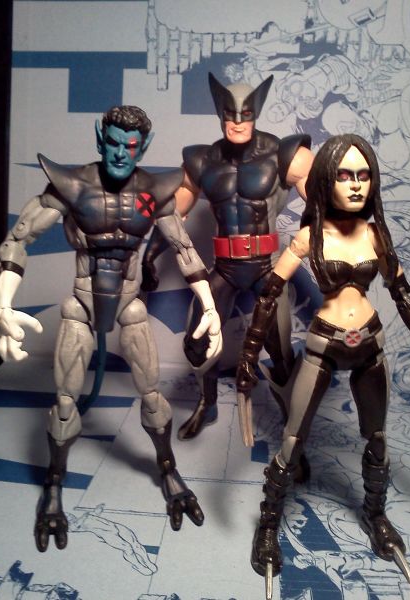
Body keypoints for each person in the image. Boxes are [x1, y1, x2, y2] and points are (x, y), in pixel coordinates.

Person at [0, 105, 222, 552]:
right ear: (101, 139)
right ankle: (54, 484)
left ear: (143, 148)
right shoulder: (72, 186)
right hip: (81, 305)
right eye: (113, 143)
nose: (120, 153)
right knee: (65, 404)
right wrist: (2, 304)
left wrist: (209, 307)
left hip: (130, 305)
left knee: (152, 395)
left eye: (130, 146)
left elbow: (184, 248)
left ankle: (169, 471)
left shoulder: (155, 190)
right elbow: (19, 239)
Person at [236, 134, 410, 594]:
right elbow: (268, 295)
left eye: (363, 175)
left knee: (377, 439)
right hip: (324, 344)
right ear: (327, 180)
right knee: (292, 440)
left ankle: (376, 515)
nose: (356, 184)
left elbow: (404, 295)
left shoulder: (375, 235)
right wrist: (248, 354)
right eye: (345, 175)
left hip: (369, 345)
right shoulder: (309, 237)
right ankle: (268, 526)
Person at [141, 73, 314, 441]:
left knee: (279, 349)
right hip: (225, 267)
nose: (237, 122)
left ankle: (291, 419)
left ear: (256, 113)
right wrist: (150, 256)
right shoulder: (203, 160)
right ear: (220, 114)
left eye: (245, 115)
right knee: (198, 341)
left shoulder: (284, 154)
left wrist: (333, 248)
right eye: (230, 115)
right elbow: (173, 215)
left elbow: (323, 206)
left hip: (268, 267)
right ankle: (208, 403)